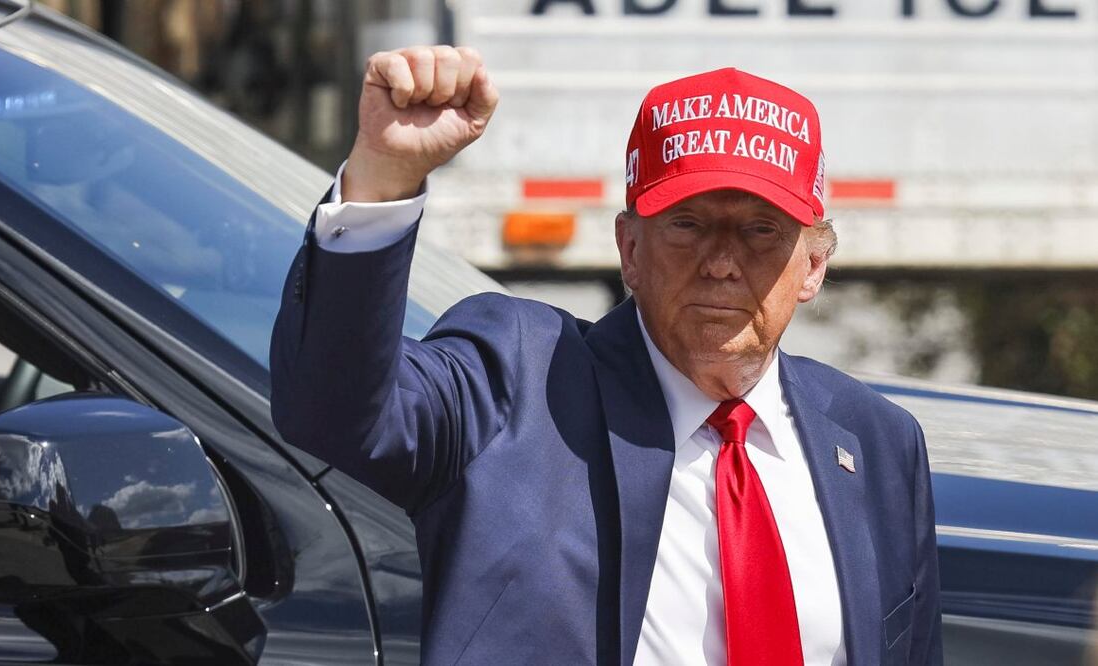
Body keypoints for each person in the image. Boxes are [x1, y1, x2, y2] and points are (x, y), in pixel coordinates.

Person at [270, 45, 942, 665]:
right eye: (686, 225)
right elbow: (332, 411)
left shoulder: (877, 443)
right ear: (628, 250)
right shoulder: (518, 381)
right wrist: (382, 179)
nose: (719, 263)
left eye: (761, 231)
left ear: (814, 266)